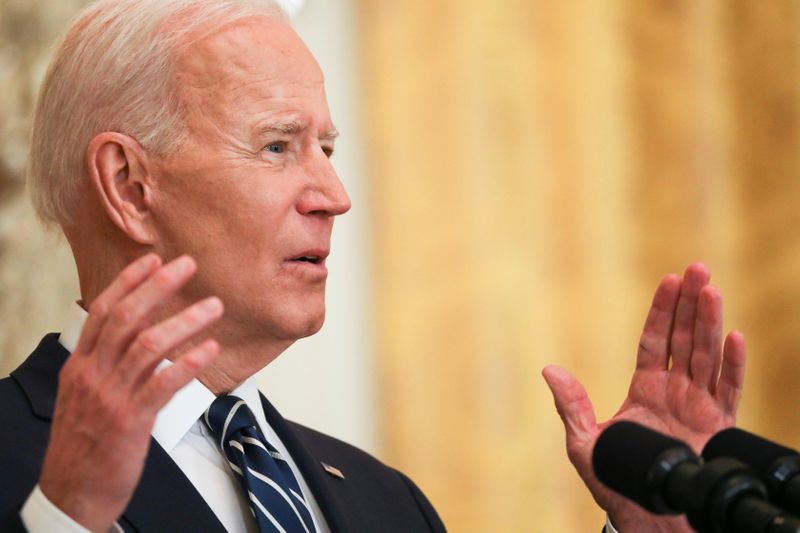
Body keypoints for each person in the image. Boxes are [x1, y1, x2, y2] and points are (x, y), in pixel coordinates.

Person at [0, 0, 746, 531]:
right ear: (131, 187)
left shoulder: (388, 501)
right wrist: (66, 518)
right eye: (276, 146)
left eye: (326, 148)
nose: (334, 195)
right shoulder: (22, 460)